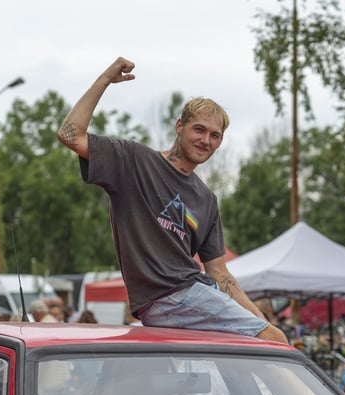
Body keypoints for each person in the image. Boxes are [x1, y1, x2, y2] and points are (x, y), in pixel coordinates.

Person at [58, 57, 287, 345]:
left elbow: (219, 273)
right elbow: (69, 134)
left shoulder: (206, 199)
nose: (206, 140)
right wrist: (105, 79)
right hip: (167, 297)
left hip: (192, 299)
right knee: (276, 341)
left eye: (215, 136)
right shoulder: (134, 161)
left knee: (215, 382)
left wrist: (261, 322)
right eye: (199, 130)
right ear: (180, 126)